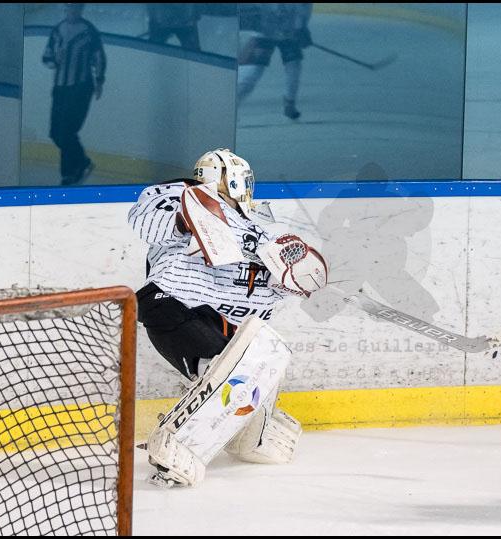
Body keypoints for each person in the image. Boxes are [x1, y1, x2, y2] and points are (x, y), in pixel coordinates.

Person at [127, 148, 327, 487]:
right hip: (171, 305)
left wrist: (291, 273)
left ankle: (249, 434)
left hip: (219, 322)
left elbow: (282, 286)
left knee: (259, 364)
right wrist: (186, 218)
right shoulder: (181, 194)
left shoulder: (261, 229)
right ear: (234, 180)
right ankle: (173, 444)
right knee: (226, 372)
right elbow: (145, 222)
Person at [42, 3, 105, 185]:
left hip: (80, 89)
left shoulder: (88, 31)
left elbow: (99, 58)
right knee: (56, 133)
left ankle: (68, 175)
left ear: (81, 9)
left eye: (76, 8)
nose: (73, 11)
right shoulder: (58, 30)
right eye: (70, 7)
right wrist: (56, 60)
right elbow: (46, 58)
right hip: (60, 89)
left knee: (67, 131)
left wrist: (99, 81)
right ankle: (82, 162)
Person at [237, 3, 313, 120]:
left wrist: (300, 27)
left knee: (294, 67)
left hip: (290, 33)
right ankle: (232, 105)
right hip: (265, 32)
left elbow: (304, 8)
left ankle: (290, 103)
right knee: (252, 72)